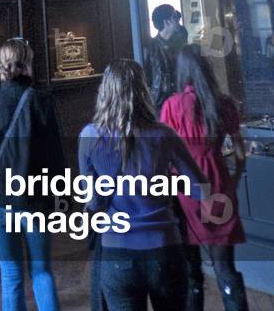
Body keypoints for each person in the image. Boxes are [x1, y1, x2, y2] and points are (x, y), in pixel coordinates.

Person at [79, 60, 206, 311]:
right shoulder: (164, 134)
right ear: (143, 91)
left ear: (105, 92)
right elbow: (201, 189)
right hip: (164, 247)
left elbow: (93, 201)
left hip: (117, 251)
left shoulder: (89, 136)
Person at [0, 38, 65, 311]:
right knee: (42, 271)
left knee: (11, 274)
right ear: (28, 64)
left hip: (0, 199)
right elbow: (56, 156)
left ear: (1, 66)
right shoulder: (44, 102)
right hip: (36, 200)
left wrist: (5, 170)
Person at [160, 45, 249, 311]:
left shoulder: (172, 105)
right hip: (218, 183)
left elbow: (163, 153)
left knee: (191, 270)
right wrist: (235, 178)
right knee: (225, 266)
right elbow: (240, 152)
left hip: (184, 189)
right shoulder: (224, 104)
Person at [141, 4, 183, 111]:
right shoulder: (149, 48)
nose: (178, 20)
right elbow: (145, 78)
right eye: (175, 17)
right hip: (160, 104)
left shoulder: (179, 44)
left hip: (179, 101)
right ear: (167, 22)